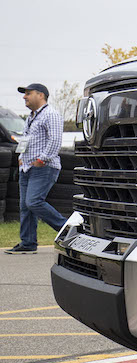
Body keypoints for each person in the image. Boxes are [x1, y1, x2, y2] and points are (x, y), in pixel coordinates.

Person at [8, 83, 67, 254]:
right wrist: (21, 157)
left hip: (44, 167)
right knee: (25, 207)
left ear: (40, 95)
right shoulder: (31, 117)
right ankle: (28, 243)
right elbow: (26, 140)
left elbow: (55, 140)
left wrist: (42, 159)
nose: (24, 97)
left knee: (33, 202)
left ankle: (67, 230)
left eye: (28, 93)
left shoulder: (51, 114)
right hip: (26, 167)